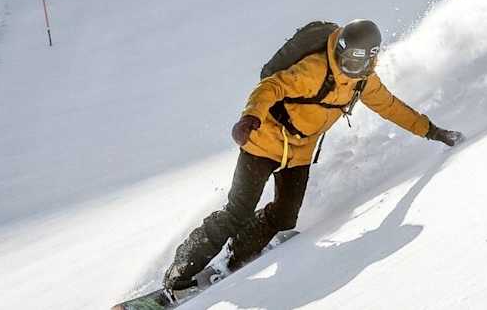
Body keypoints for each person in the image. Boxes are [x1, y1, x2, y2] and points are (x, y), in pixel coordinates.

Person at [164, 19, 461, 291]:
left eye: (360, 60)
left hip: (299, 152)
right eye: (347, 57)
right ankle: (178, 275)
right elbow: (271, 87)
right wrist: (249, 117)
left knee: (285, 217)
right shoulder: (315, 69)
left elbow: (392, 107)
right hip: (263, 141)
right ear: (340, 50)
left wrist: (432, 131)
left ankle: (235, 253)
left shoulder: (364, 82)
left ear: (371, 58)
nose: (351, 66)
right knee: (237, 212)